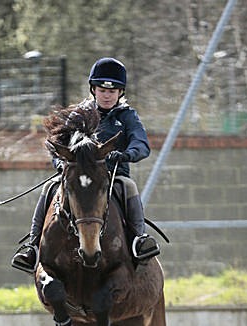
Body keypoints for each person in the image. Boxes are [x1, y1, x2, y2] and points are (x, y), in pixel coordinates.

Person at [11, 56, 160, 273]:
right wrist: (61, 163)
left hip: (111, 175)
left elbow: (141, 144)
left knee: (129, 186)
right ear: (93, 90)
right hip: (76, 174)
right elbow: (57, 144)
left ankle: (139, 238)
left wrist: (125, 155)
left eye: (112, 91)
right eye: (102, 90)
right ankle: (32, 246)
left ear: (120, 92)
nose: (107, 95)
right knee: (49, 187)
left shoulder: (127, 116)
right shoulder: (80, 114)